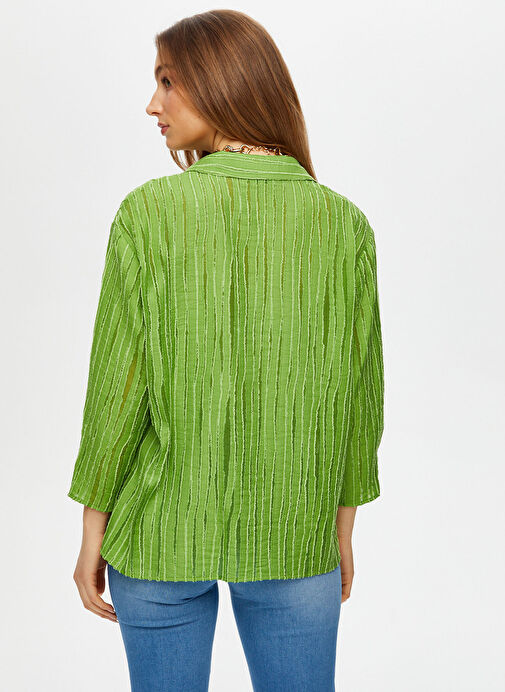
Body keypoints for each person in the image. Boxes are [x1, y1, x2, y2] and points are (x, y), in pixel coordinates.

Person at [67, 9, 385, 692]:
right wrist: (340, 525)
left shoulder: (148, 214)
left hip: (159, 534)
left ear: (223, 83)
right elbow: (358, 400)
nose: (152, 104)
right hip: (295, 531)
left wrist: (93, 526)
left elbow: (118, 389)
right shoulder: (344, 225)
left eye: (168, 81)